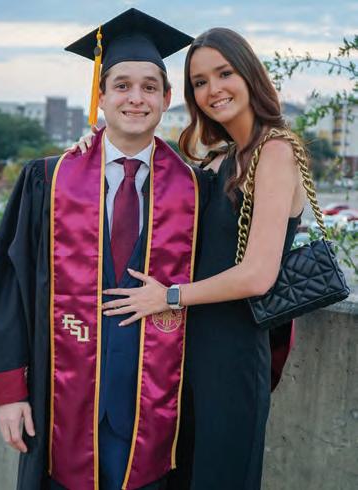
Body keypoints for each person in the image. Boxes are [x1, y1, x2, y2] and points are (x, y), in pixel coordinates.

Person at [0, 8, 205, 490]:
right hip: (63, 404)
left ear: (166, 98)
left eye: (149, 87)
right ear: (101, 95)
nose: (135, 98)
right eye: (122, 85)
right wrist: (9, 391)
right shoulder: (48, 179)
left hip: (160, 411)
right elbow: (8, 287)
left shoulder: (197, 190)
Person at [87, 28, 307, 489]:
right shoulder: (218, 161)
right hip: (184, 357)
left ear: (249, 75)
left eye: (224, 74)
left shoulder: (276, 152)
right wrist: (90, 149)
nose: (213, 90)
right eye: (200, 82)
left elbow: (258, 275)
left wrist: (168, 297)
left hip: (233, 354)